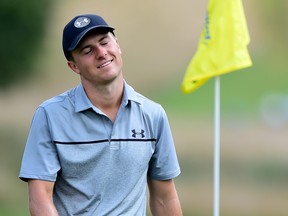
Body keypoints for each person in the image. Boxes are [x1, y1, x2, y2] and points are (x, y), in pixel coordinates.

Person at [19, 14, 182, 216]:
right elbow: (40, 198)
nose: (101, 53)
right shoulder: (50, 116)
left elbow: (164, 197)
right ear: (74, 66)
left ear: (117, 45)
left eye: (105, 42)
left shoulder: (152, 114)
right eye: (87, 50)